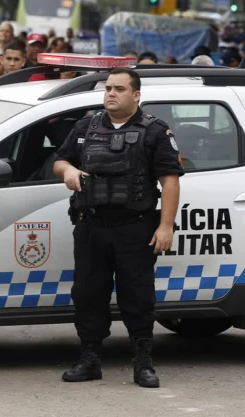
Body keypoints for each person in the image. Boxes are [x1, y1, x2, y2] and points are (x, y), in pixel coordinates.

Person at [53, 68, 183, 388]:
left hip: (134, 228)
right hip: (91, 225)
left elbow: (170, 181)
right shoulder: (86, 126)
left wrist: (165, 226)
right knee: (88, 294)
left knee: (137, 297)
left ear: (136, 95)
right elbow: (58, 160)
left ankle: (142, 362)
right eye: (108, 88)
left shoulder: (154, 131)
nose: (111, 93)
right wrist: (68, 170)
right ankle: (90, 359)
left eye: (119, 89)